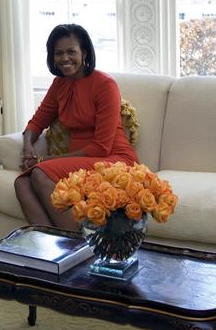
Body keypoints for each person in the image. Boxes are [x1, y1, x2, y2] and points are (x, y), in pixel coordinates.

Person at [14, 24, 139, 231]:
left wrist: (44, 161)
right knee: (21, 183)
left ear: (85, 53)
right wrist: (28, 147)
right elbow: (37, 122)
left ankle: (76, 247)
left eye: (71, 51)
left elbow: (101, 148)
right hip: (79, 161)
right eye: (59, 53)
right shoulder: (59, 84)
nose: (65, 58)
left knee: (39, 173)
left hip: (112, 159)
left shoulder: (105, 85)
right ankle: (50, 248)